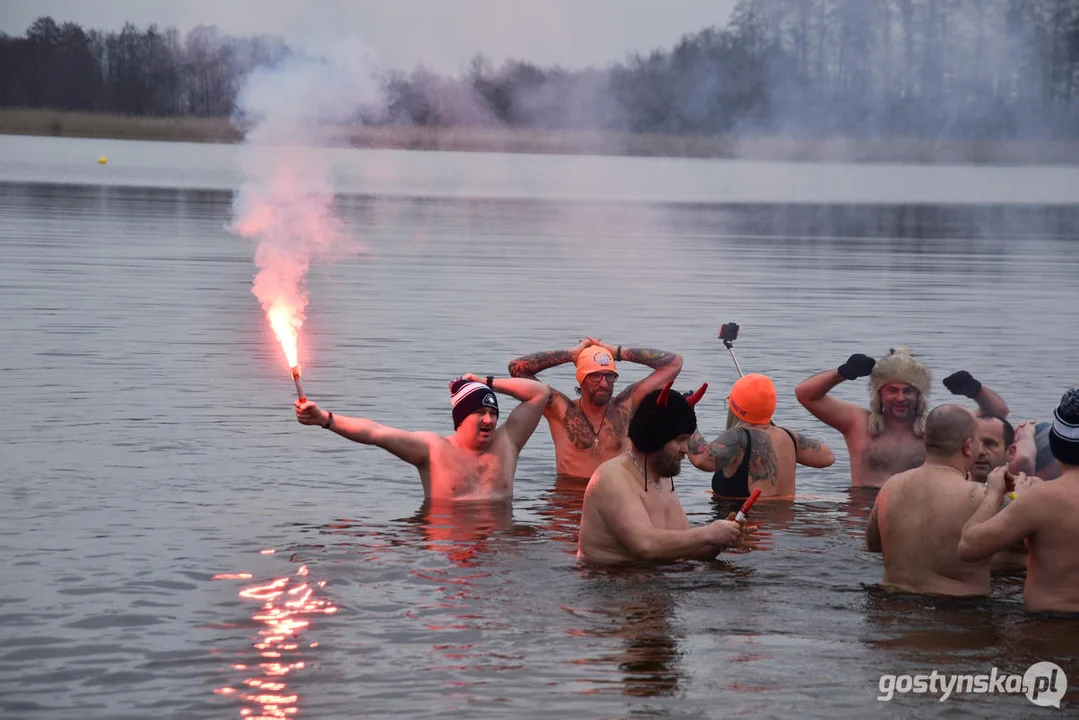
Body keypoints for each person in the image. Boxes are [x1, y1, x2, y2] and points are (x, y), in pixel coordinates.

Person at [294, 374, 551, 501]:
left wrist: (485, 381)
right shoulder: (433, 449)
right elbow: (376, 433)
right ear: (461, 418)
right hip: (450, 551)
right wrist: (325, 419)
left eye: (493, 413)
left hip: (497, 556)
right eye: (480, 412)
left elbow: (540, 393)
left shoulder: (507, 444)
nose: (489, 420)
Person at [577, 382, 754, 565]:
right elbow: (644, 545)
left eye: (687, 440)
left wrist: (722, 539)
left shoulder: (663, 479)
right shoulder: (612, 477)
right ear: (653, 438)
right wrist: (708, 533)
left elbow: (687, 549)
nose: (686, 449)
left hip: (653, 583)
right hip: (608, 584)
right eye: (679, 440)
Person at [794, 346, 1010, 487]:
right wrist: (843, 373)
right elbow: (805, 394)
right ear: (879, 393)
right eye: (892, 390)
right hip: (860, 516)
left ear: (919, 395)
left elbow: (998, 413)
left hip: (913, 512)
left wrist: (975, 390)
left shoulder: (936, 429)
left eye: (908, 391)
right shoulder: (858, 423)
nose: (900, 398)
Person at [959, 389, 1079, 612]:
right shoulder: (1040, 497)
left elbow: (968, 547)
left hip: (1049, 631)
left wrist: (998, 494)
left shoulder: (1040, 499)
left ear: (1055, 445)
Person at [865, 404, 1002, 597]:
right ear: (968, 446)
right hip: (957, 611)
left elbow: (873, 545)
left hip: (891, 603)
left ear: (926, 441)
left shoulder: (891, 486)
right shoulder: (982, 496)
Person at [508, 337, 683, 478]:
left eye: (609, 376)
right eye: (595, 376)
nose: (604, 383)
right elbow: (517, 368)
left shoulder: (626, 406)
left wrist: (617, 352)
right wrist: (571, 354)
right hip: (569, 501)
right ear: (581, 379)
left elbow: (674, 363)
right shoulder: (560, 410)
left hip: (615, 499)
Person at [686, 373, 835, 498]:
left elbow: (702, 460)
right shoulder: (789, 437)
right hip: (784, 527)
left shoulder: (737, 436)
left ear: (735, 407)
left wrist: (687, 415)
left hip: (747, 527)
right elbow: (827, 457)